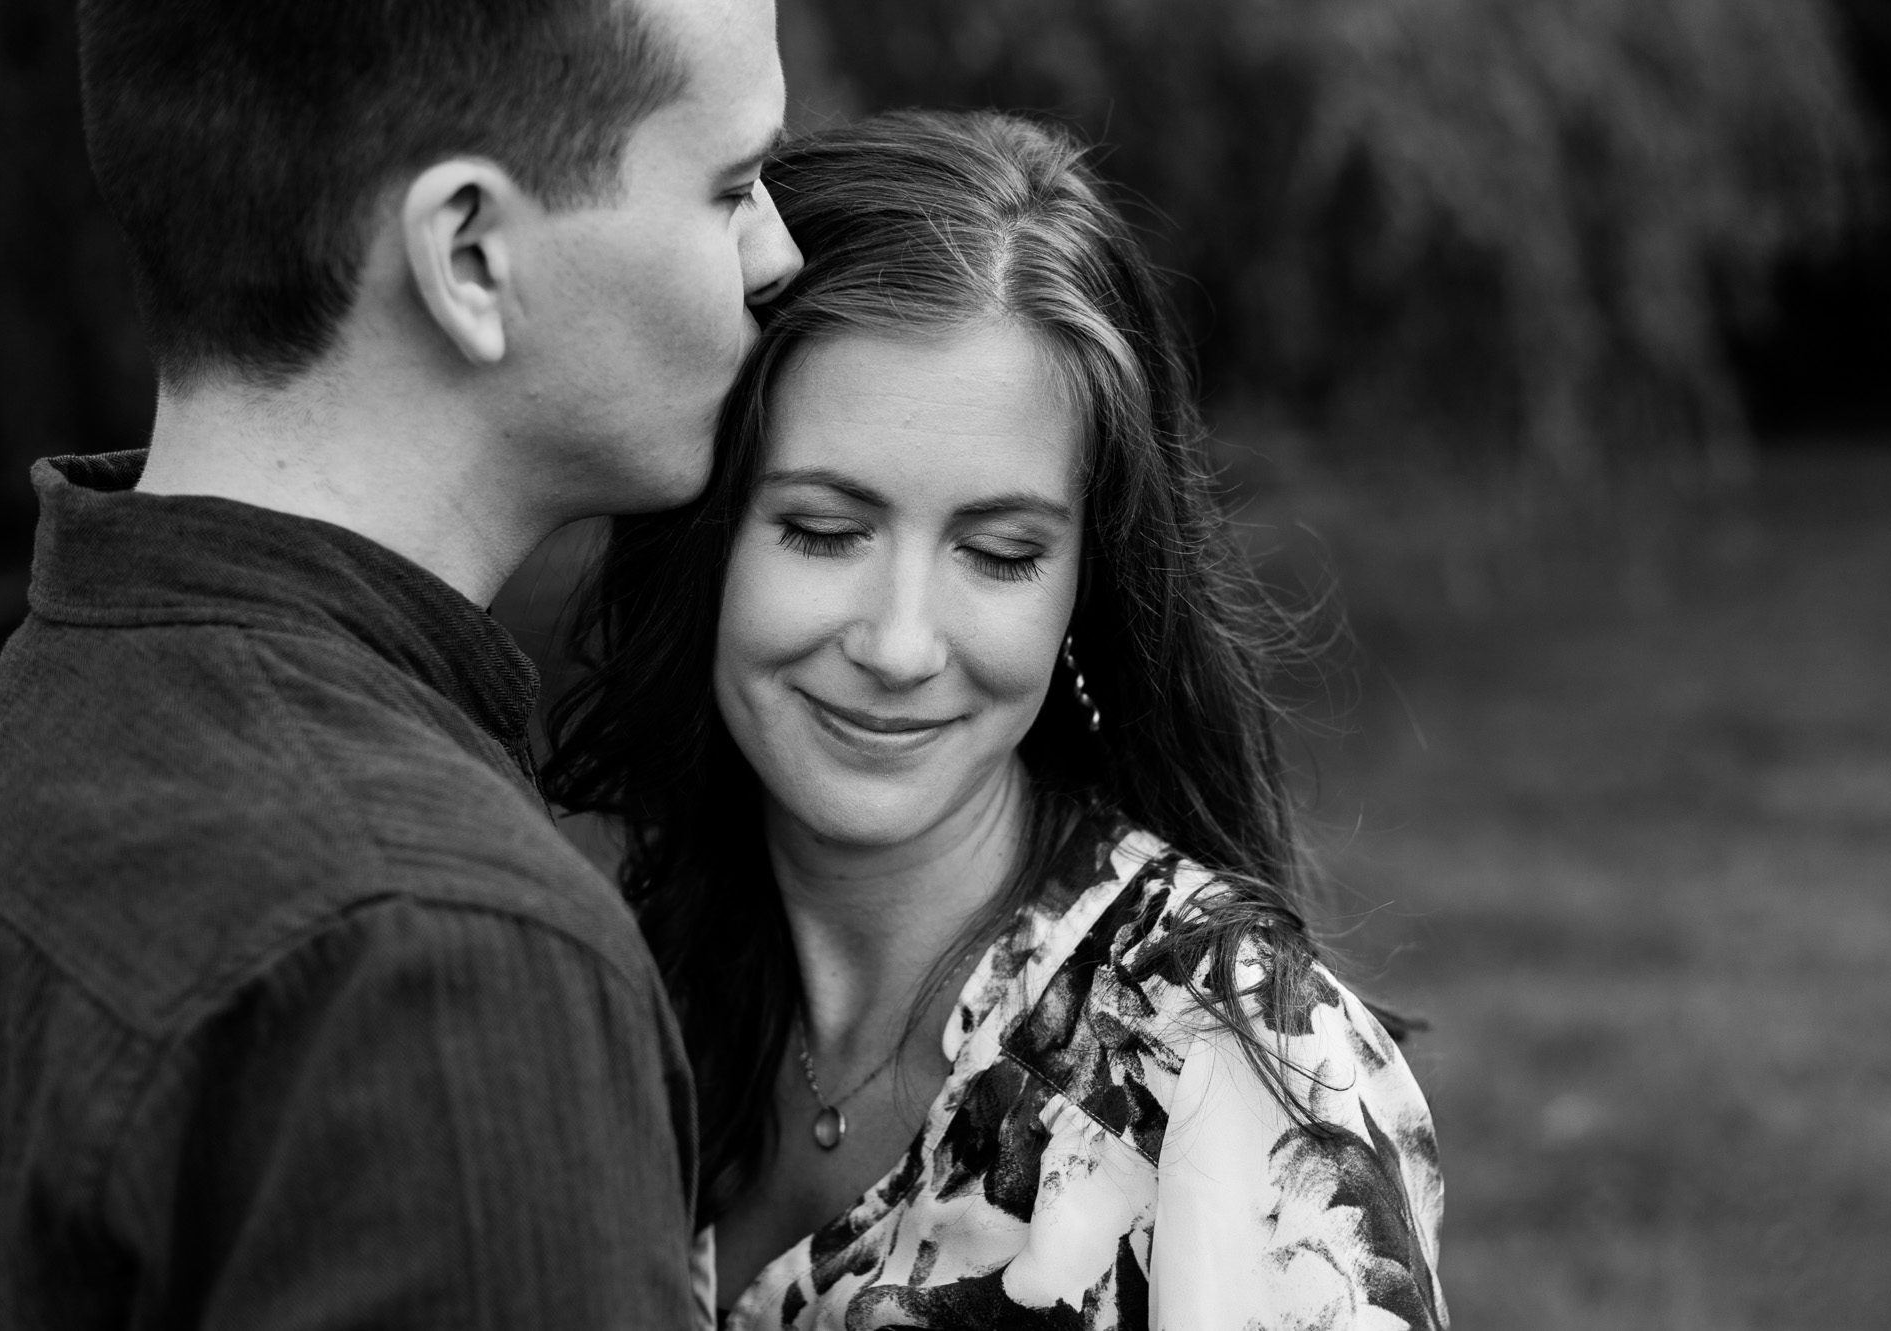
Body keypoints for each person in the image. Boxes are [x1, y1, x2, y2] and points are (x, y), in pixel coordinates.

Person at [547, 110, 1447, 1329]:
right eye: (823, 528)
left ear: (1086, 586)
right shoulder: (594, 971)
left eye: (999, 551)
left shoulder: (1225, 1075)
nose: (900, 642)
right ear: (695, 536)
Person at [0, 1, 800, 1326]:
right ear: (471, 255)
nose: (780, 252)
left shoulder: (46, 727)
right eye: (731, 187)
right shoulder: (447, 962)